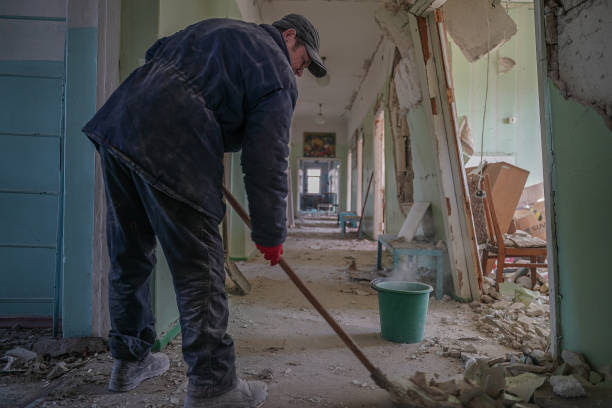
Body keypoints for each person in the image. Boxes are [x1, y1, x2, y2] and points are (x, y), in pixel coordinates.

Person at [82, 14, 326, 408]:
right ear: (289, 36)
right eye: (303, 59)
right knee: (201, 268)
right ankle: (214, 385)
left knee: (130, 255)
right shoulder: (277, 69)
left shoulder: (219, 28)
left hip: (121, 123)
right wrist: (270, 233)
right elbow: (267, 158)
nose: (300, 71)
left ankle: (129, 361)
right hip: (177, 143)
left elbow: (155, 53)